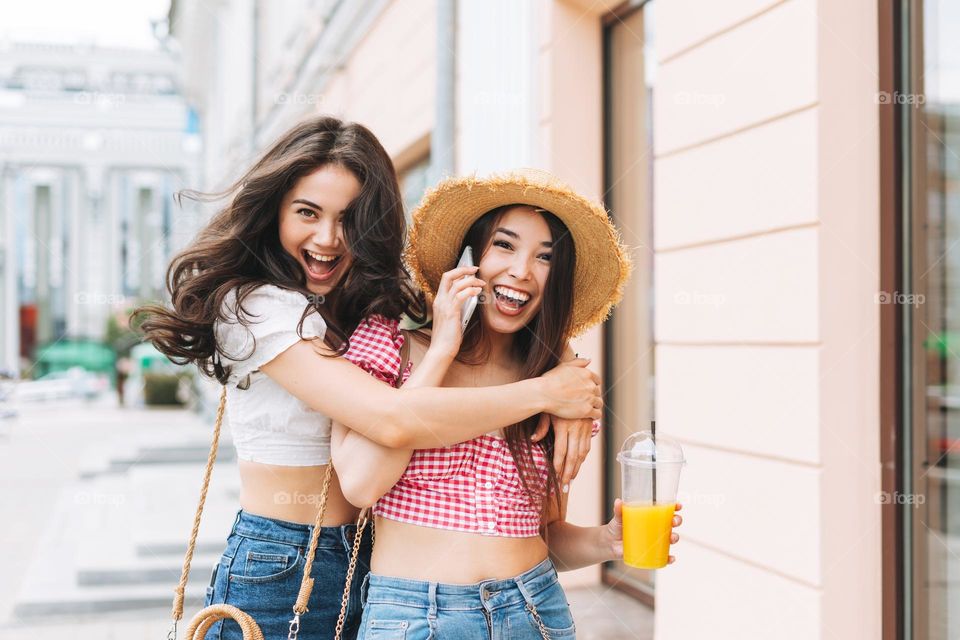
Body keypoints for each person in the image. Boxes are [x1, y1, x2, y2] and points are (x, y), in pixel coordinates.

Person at [135, 121, 602, 640]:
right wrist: (548, 392)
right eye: (307, 212)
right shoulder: (256, 308)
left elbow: (506, 321)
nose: (328, 238)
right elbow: (393, 418)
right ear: (274, 211)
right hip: (287, 558)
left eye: (350, 219)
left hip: (369, 557)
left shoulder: (365, 306)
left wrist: (564, 370)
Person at [334, 170, 682, 639]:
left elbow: (546, 535)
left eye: (545, 257)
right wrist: (442, 349)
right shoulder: (392, 349)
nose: (522, 270)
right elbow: (361, 484)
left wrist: (606, 541)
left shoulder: (559, 390)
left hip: (535, 612)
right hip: (414, 617)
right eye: (504, 245)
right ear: (468, 258)